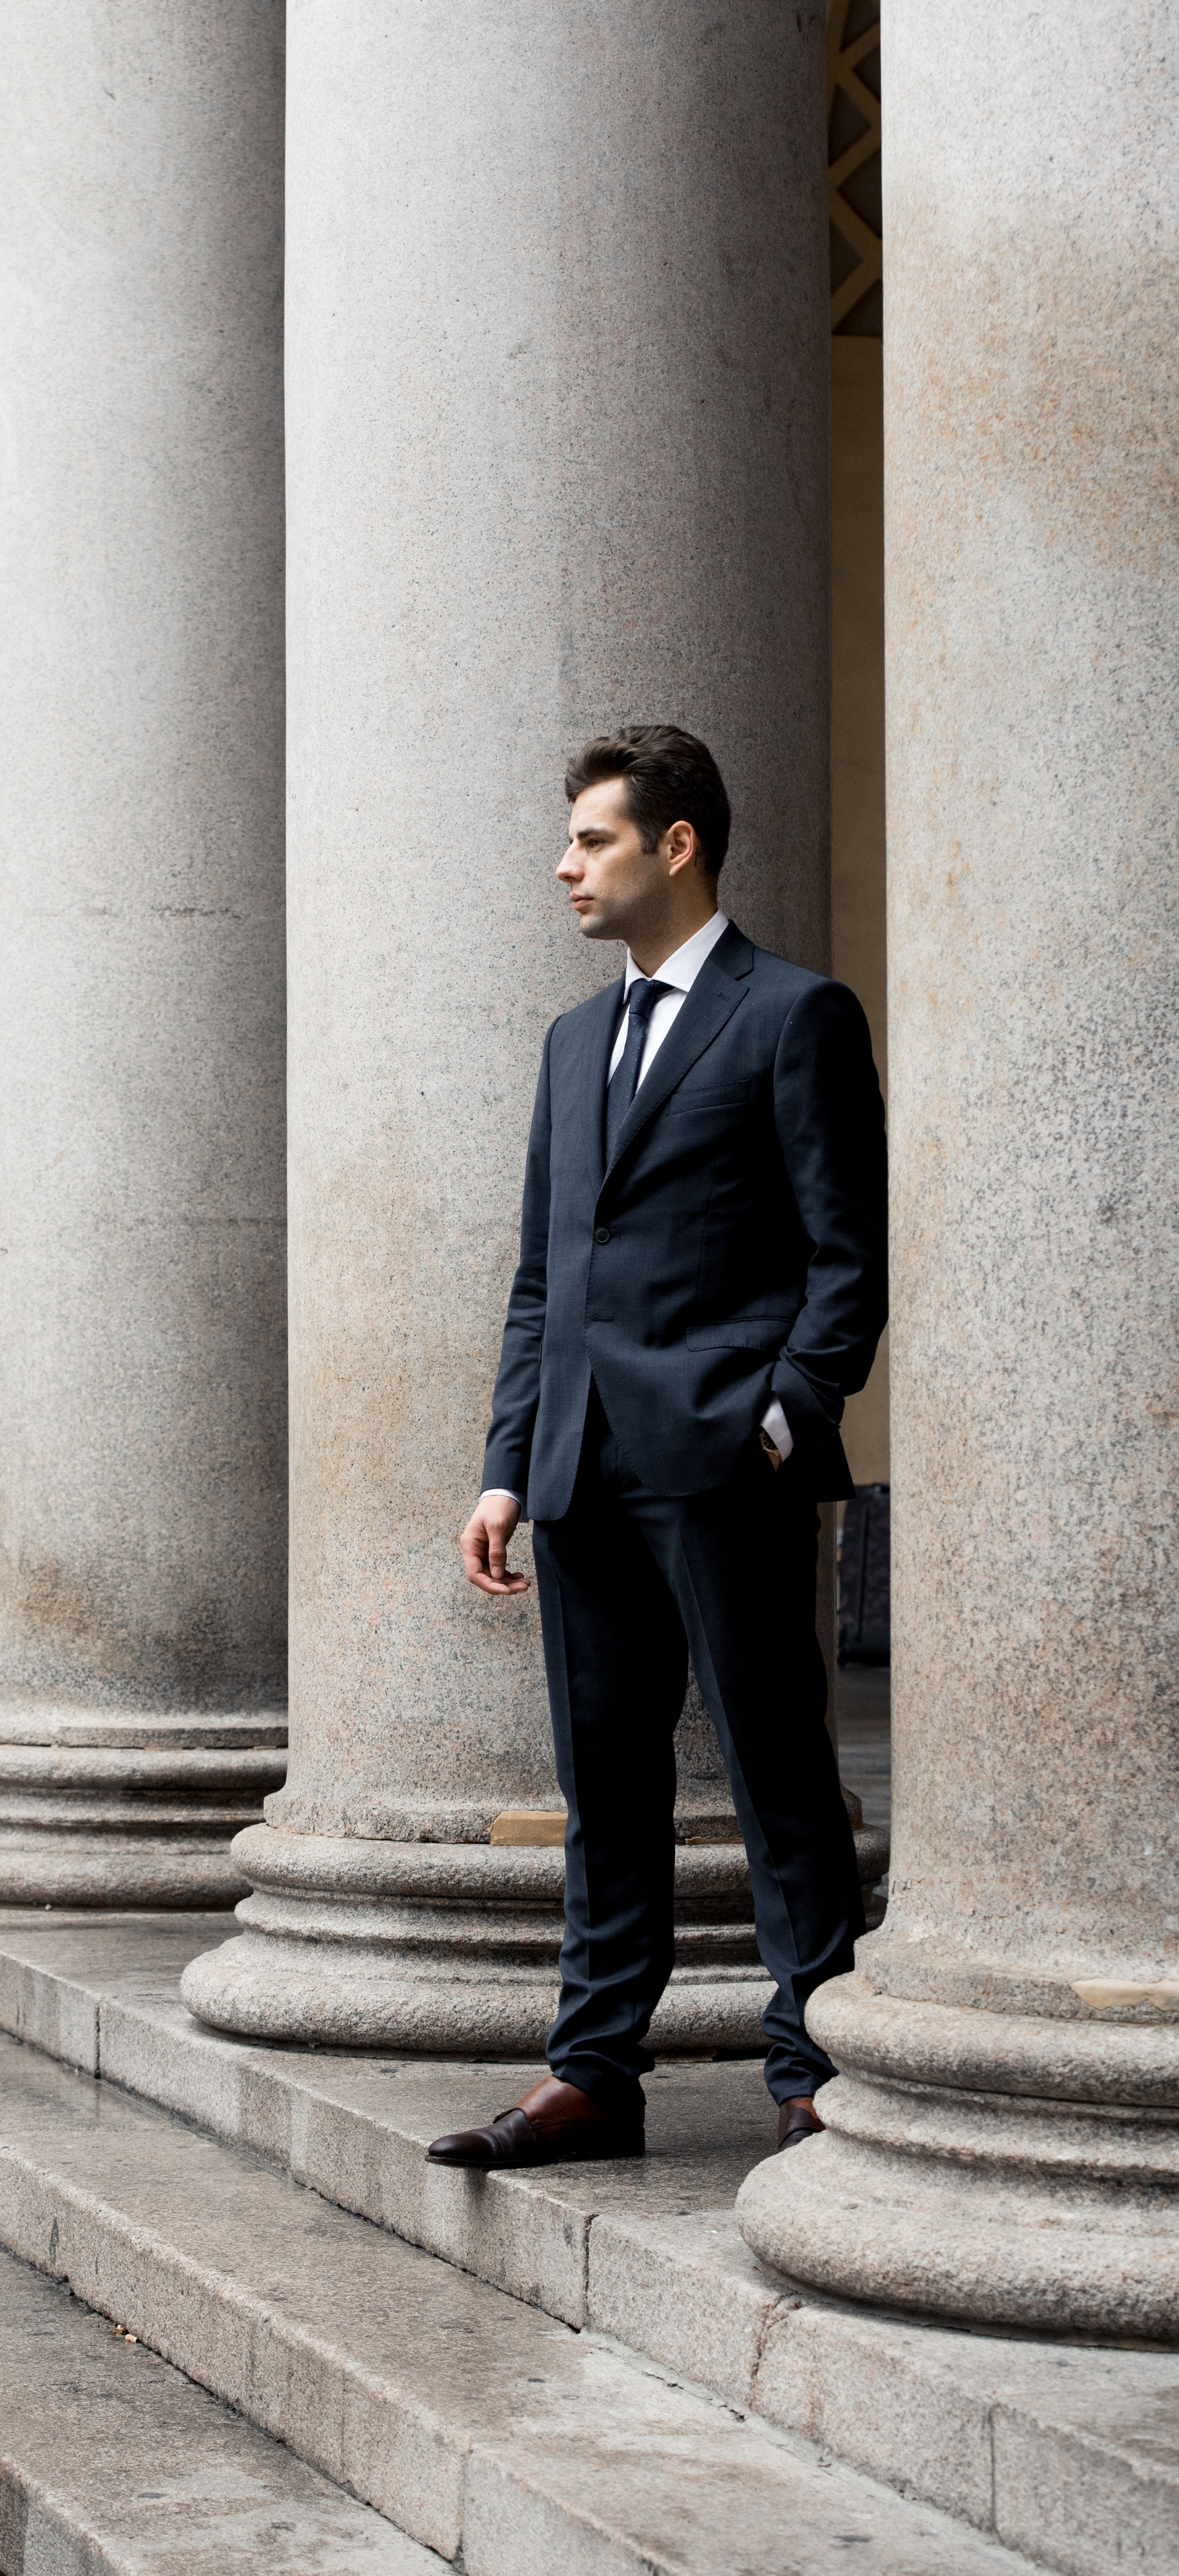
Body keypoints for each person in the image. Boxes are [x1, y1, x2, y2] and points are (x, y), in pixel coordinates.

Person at [427, 729, 886, 2172]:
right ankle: (592, 2071)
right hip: (575, 1469)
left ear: (674, 845)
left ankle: (812, 2059)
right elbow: (539, 1278)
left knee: (775, 1772)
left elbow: (845, 1254)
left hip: (720, 1462)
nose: (564, 866)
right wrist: (506, 1461)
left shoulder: (791, 1015)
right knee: (603, 1782)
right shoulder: (573, 1041)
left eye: (591, 840)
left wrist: (778, 1417)